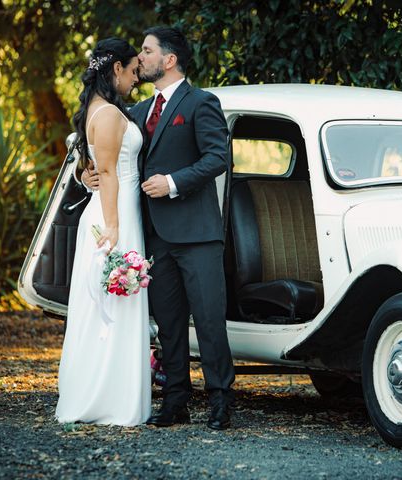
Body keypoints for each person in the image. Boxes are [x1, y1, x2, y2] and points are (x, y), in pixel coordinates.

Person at [133, 26, 235, 430]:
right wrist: (93, 175)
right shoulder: (138, 112)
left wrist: (172, 183)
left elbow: (217, 158)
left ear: (169, 60)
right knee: (169, 323)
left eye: (146, 51)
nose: (140, 58)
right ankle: (175, 401)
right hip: (155, 235)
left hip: (198, 235)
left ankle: (221, 401)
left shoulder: (201, 103)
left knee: (209, 321)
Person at [55, 37, 151, 426]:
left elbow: (92, 163)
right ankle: (110, 400)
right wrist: (114, 228)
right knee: (114, 304)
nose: (134, 80)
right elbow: (108, 172)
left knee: (104, 309)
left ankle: (100, 393)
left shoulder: (99, 110)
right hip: (113, 216)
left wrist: (83, 171)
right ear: (115, 70)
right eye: (131, 71)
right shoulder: (109, 114)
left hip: (109, 211)